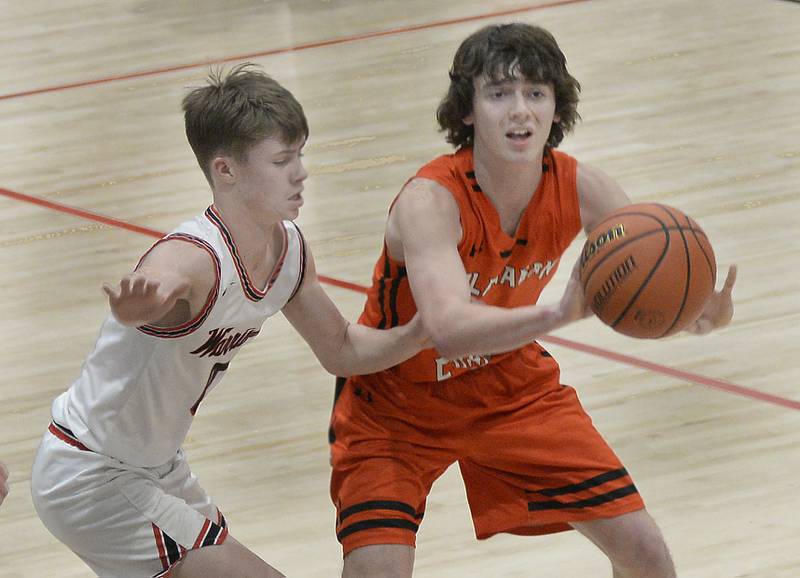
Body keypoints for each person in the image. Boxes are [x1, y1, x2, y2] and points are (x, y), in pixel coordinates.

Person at [328, 23, 737, 578]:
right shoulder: (430, 200)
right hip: (396, 400)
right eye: (499, 94)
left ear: (555, 107)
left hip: (509, 386)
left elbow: (643, 279)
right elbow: (446, 325)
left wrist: (694, 310)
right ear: (468, 111)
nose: (520, 110)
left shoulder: (582, 187)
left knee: (644, 553)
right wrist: (555, 314)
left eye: (536, 93)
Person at [30, 64, 427, 578]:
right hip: (93, 471)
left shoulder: (289, 253)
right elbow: (162, 280)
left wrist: (423, 333)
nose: (300, 173)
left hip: (157, 468)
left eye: (300, 155)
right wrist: (137, 307)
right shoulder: (195, 257)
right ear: (226, 170)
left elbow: (342, 350)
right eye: (282, 160)